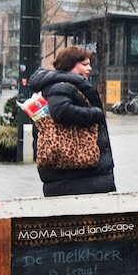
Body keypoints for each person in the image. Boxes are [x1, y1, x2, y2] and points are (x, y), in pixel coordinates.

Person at [27, 46, 117, 197]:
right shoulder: (62, 86)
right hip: (77, 175)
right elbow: (60, 111)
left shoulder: (67, 85)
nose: (89, 68)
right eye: (84, 64)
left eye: (89, 64)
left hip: (75, 177)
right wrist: (94, 113)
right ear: (69, 64)